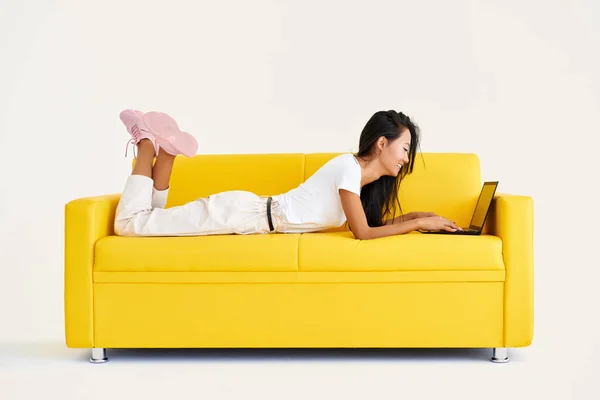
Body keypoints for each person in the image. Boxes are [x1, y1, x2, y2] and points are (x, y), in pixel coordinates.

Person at [114, 109, 461, 239]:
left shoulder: (358, 181)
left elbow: (374, 224)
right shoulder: (347, 168)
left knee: (151, 221)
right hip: (241, 214)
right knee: (129, 225)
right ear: (382, 143)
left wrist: (423, 217)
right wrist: (416, 225)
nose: (407, 159)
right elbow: (363, 233)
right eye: (405, 149)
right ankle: (147, 141)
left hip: (249, 217)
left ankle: (168, 152)